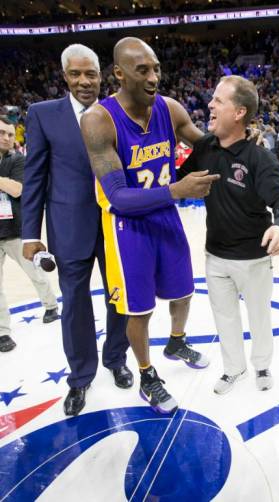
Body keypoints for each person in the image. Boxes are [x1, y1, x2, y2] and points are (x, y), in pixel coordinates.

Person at [79, 37, 219, 414]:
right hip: (127, 228)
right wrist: (176, 189)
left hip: (165, 215)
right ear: (120, 74)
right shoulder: (98, 120)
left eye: (156, 67)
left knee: (184, 290)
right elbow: (119, 198)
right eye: (143, 70)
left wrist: (234, 134)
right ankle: (146, 373)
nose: (154, 76)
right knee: (138, 310)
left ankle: (176, 342)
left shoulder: (170, 109)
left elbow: (205, 145)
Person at [21, 44, 131, 416]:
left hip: (118, 222)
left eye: (91, 74)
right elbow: (34, 176)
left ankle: (116, 358)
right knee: (75, 304)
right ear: (64, 76)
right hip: (68, 226)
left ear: (102, 75)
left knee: (120, 296)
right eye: (76, 74)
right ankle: (81, 377)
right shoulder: (42, 114)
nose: (84, 82)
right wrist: (31, 234)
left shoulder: (120, 109)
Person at [178, 75, 279, 395]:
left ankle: (261, 365)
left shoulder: (260, 158)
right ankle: (233, 369)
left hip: (254, 259)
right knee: (225, 318)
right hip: (215, 255)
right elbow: (179, 178)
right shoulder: (204, 146)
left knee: (259, 317)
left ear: (239, 112)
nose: (210, 104)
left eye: (218, 100)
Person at [0, 117, 59, 353]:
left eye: (10, 134)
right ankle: (3, 331)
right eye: (2, 133)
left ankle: (51, 306)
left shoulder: (18, 160)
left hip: (16, 230)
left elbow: (17, 189)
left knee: (34, 273)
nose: (6, 137)